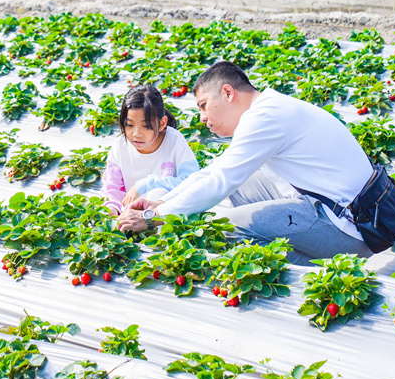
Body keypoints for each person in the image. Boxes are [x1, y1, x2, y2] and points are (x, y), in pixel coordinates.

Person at [116, 61, 379, 264]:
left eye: (204, 105)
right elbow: (217, 170)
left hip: (350, 229)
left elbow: (219, 182)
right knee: (238, 185)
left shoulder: (265, 118)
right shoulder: (268, 108)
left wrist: (152, 218)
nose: (202, 118)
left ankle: (319, 270)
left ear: (228, 93)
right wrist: (164, 201)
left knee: (224, 228)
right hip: (341, 209)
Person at [100, 84, 201, 216]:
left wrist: (145, 184)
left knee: (159, 192)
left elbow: (191, 181)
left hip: (164, 214)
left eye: (146, 126)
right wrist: (112, 209)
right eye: (129, 125)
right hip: (130, 215)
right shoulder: (120, 146)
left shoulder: (174, 141)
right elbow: (112, 187)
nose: (136, 133)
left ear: (162, 123)